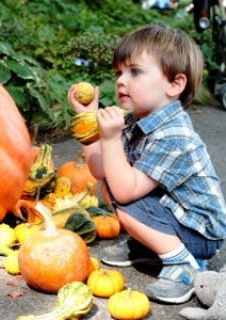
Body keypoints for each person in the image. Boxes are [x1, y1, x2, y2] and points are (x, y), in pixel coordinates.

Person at [67, 24, 226, 304]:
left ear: (174, 84)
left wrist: (112, 137)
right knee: (109, 186)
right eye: (119, 72)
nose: (120, 81)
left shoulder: (173, 134)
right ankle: (152, 244)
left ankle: (185, 263)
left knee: (122, 196)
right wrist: (90, 123)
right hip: (176, 214)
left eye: (135, 72)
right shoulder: (136, 119)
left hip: (201, 232)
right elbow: (102, 170)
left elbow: (126, 191)